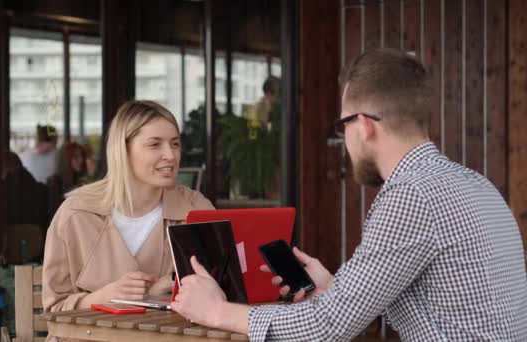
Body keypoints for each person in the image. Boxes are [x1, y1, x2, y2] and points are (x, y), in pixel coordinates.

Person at [171, 48, 527, 341]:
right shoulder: (474, 183)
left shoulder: (412, 195)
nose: (344, 142)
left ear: (364, 125)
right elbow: (438, 302)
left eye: (343, 126)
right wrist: (336, 289)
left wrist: (216, 311)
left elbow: (327, 328)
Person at [42, 100, 213, 341]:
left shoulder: (197, 209)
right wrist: (103, 298)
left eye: (175, 144)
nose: (171, 155)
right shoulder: (75, 215)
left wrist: (170, 284)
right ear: (123, 150)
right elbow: (53, 312)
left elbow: (223, 287)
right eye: (155, 144)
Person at [46, 142, 88, 219]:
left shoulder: (80, 181)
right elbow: (54, 215)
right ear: (65, 160)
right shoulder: (55, 183)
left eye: (81, 156)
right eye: (75, 156)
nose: (81, 160)